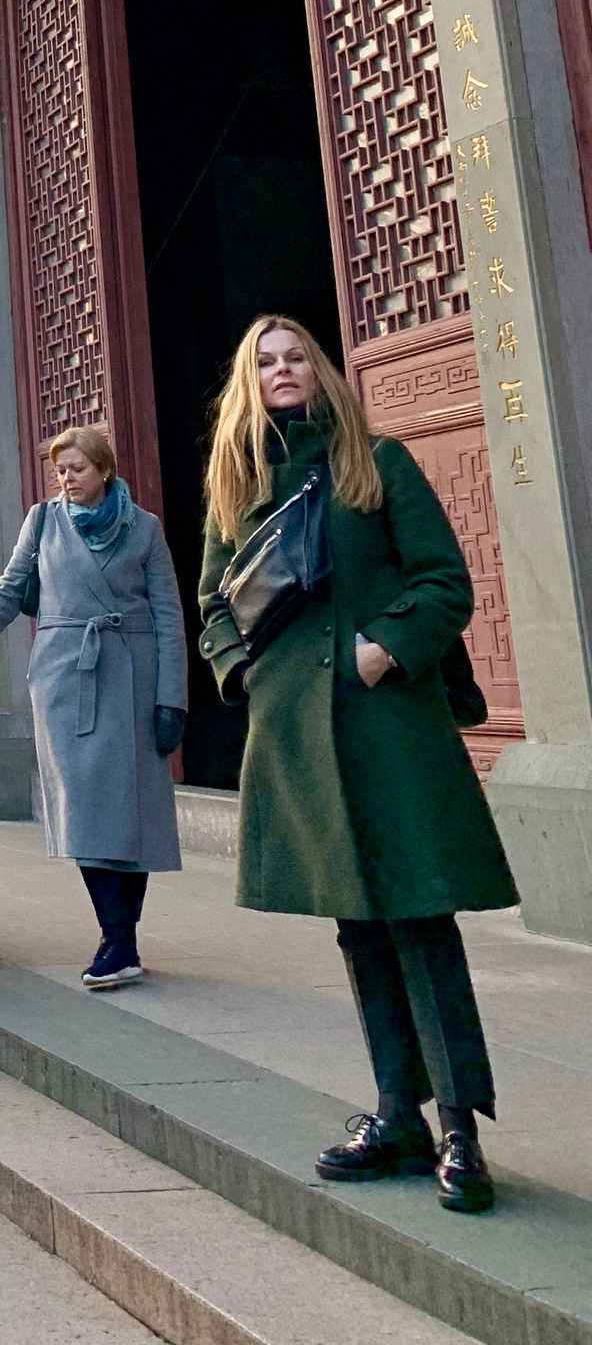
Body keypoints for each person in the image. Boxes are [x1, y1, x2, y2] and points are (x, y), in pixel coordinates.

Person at [198, 315, 517, 1215]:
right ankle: (395, 1114)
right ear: (246, 381)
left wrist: (385, 647)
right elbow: (213, 606)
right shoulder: (237, 487)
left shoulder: (377, 463)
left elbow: (444, 581)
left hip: (390, 730)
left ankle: (460, 1126)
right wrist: (249, 675)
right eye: (264, 360)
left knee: (422, 923)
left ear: (322, 370)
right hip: (301, 738)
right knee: (359, 927)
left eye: (296, 355)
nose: (282, 369)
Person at [0, 425, 187, 989]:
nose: (66, 480)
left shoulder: (145, 529)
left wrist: (173, 700)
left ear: (104, 469)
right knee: (86, 807)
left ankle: (124, 937)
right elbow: (9, 590)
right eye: (59, 470)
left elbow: (169, 615)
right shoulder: (43, 521)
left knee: (131, 812)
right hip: (68, 678)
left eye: (77, 469)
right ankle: (116, 936)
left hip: (131, 675)